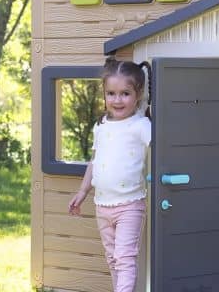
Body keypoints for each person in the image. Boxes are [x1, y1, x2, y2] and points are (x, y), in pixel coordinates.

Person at [68, 57, 152, 292]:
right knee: (113, 259)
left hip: (130, 205)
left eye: (125, 93)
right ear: (104, 94)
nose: (117, 100)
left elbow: (165, 147)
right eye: (111, 93)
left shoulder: (141, 125)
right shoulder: (102, 126)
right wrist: (83, 191)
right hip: (102, 205)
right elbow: (95, 161)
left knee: (125, 259)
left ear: (138, 94)